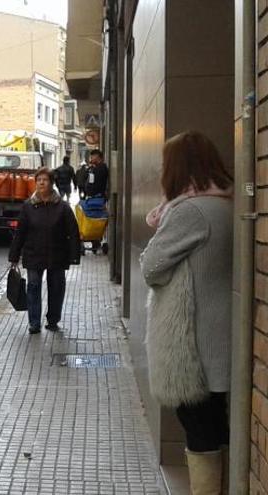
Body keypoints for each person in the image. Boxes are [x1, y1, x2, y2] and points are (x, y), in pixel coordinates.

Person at [139, 131, 232, 493]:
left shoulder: (190, 212)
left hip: (196, 349)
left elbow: (150, 267)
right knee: (212, 427)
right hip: (217, 340)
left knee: (200, 431)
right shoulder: (224, 204)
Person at [8, 167, 80, 334]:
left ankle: (53, 320)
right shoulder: (28, 206)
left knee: (56, 288)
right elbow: (20, 233)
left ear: (51, 183)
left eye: (45, 180)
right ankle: (34, 322)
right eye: (38, 180)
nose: (41, 183)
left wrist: (74, 255)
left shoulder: (62, 207)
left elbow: (73, 231)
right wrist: (14, 255)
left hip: (57, 253)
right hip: (34, 253)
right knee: (33, 287)